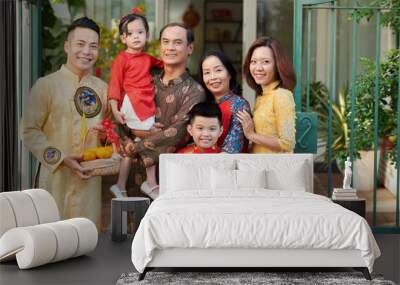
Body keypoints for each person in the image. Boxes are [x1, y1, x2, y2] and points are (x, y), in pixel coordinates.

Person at [21, 17, 108, 228]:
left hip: (89, 184)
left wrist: (105, 139)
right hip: (55, 181)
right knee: (52, 239)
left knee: (86, 240)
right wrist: (60, 158)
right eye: (80, 44)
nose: (86, 51)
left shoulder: (104, 90)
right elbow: (28, 131)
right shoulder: (45, 86)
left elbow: (109, 133)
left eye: (93, 46)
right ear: (67, 46)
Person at [124, 23, 206, 199]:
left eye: (177, 42)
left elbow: (180, 132)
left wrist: (135, 146)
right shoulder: (145, 79)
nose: (170, 47)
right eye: (165, 42)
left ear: (189, 48)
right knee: (130, 223)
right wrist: (129, 134)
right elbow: (123, 116)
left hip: (170, 179)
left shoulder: (195, 91)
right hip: (132, 170)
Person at [108, 12, 163, 198]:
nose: (136, 36)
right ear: (123, 38)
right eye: (131, 33)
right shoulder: (121, 59)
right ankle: (150, 183)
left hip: (145, 105)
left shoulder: (148, 58)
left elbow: (166, 64)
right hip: (133, 104)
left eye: (140, 32)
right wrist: (115, 109)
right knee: (151, 141)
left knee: (131, 149)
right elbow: (114, 85)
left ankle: (120, 185)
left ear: (147, 34)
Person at [237, 36, 296, 153]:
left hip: (275, 168)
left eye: (266, 62)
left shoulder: (282, 95)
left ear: (278, 65)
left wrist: (251, 135)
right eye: (253, 62)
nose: (258, 68)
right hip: (258, 165)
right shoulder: (262, 97)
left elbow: (287, 143)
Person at [198, 50, 250, 153]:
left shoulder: (238, 105)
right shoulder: (203, 104)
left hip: (227, 165)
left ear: (229, 73)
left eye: (218, 70)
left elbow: (232, 149)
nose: (213, 77)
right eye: (207, 72)